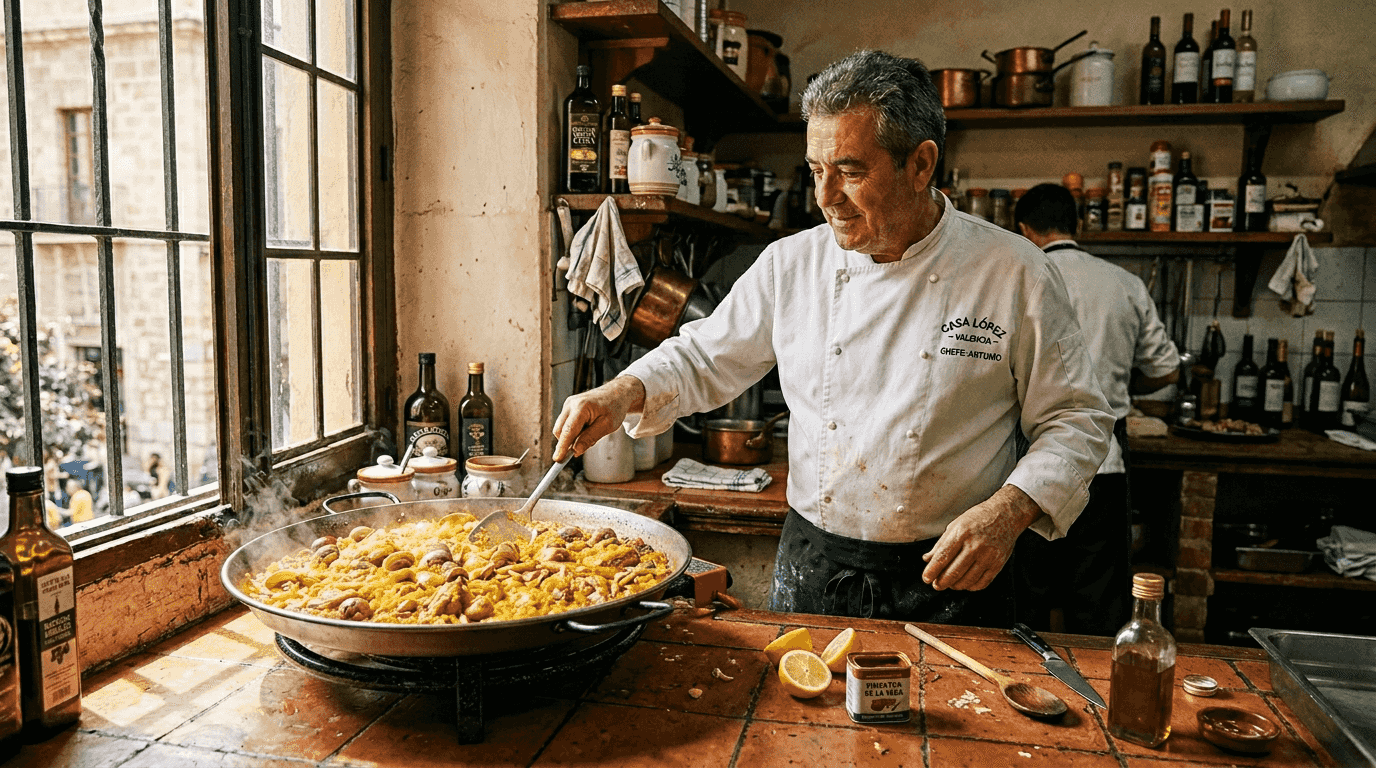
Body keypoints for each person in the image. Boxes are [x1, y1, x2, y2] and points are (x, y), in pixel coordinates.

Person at [553, 50, 1115, 627]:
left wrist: (1008, 512)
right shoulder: (791, 264)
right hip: (814, 565)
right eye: (816, 170)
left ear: (921, 165)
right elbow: (704, 354)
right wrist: (624, 390)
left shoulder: (1012, 272)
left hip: (953, 575)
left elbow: (1076, 418)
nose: (825, 197)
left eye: (850, 172)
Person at [1012, 183, 1180, 635]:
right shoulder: (1124, 284)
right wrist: (1119, 385)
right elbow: (1167, 370)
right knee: (1099, 607)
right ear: (1077, 225)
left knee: (1027, 603)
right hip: (1102, 464)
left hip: (1025, 472)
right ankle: (1098, 700)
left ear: (1024, 230)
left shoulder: (1017, 278)